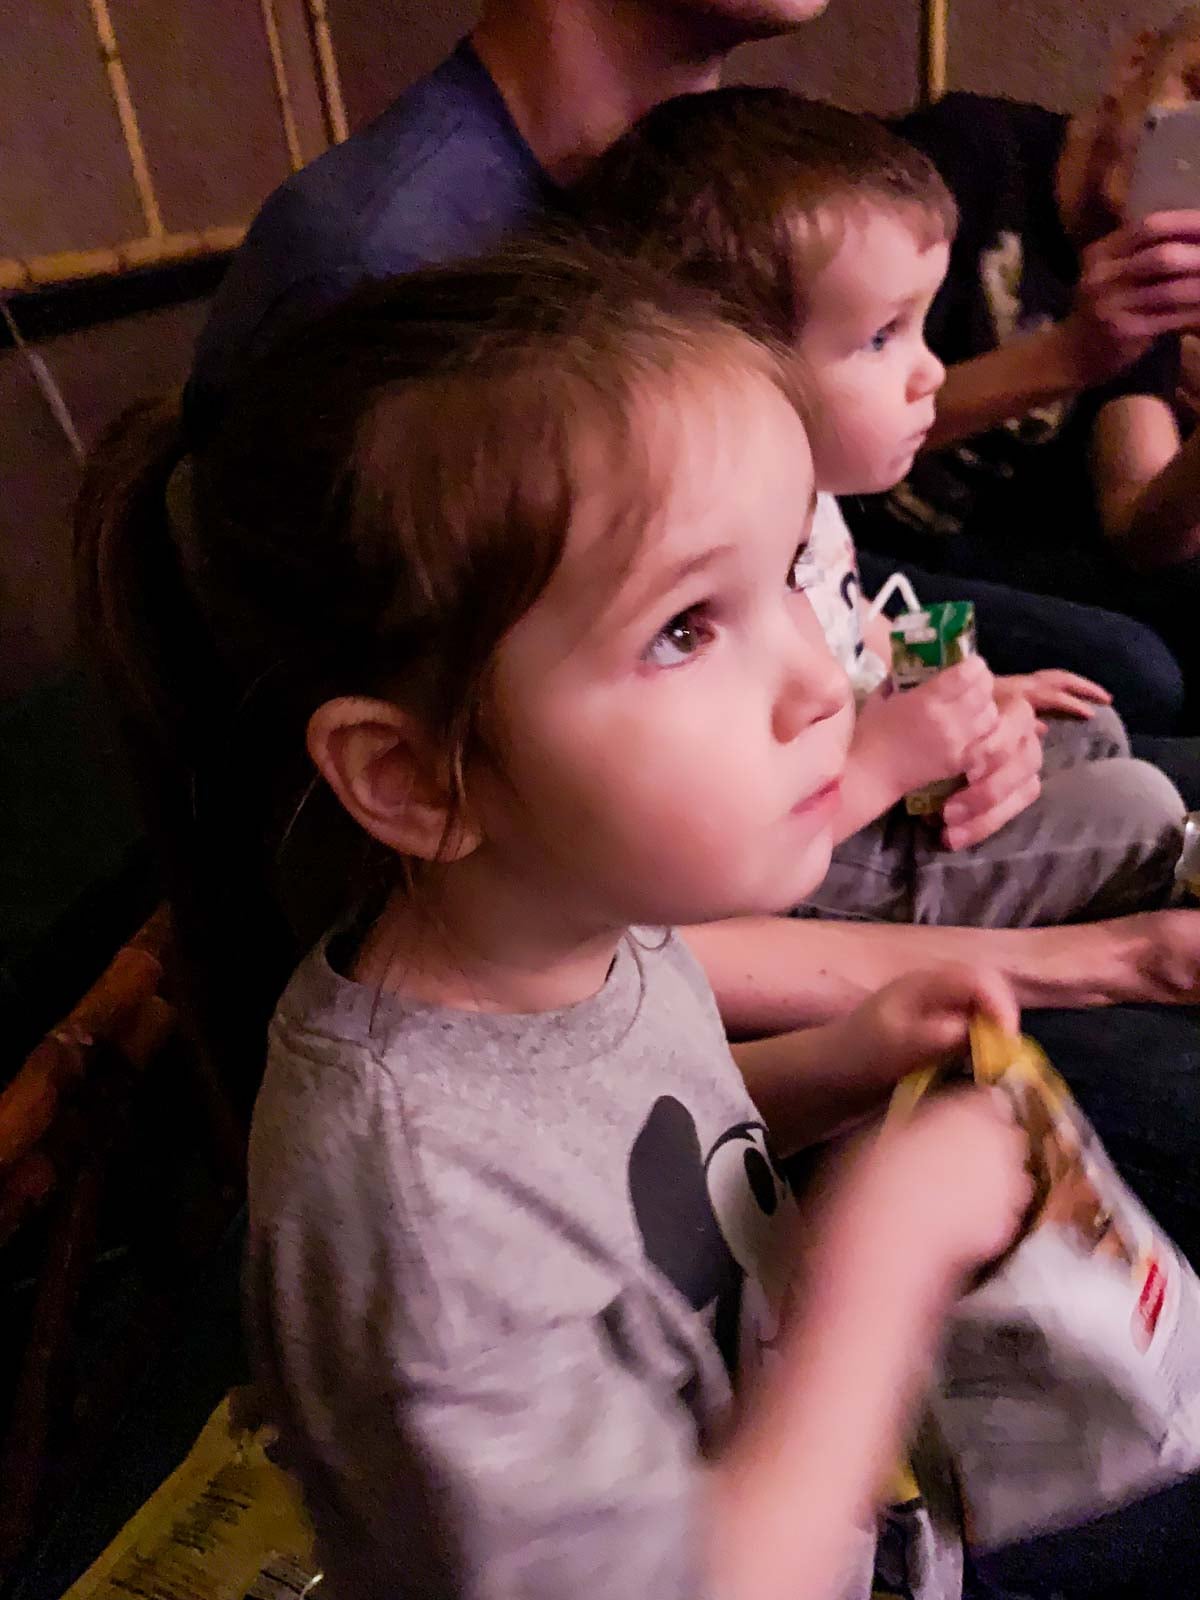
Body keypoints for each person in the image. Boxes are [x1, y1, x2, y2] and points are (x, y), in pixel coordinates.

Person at [78, 242, 1036, 1600]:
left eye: (781, 582)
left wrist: (849, 1058)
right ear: (416, 778)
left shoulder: (586, 917)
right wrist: (885, 1267)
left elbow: (635, 1155)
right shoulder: (412, 1212)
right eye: (685, 629)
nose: (822, 681)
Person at [184, 0, 1187, 732]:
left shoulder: (718, 177)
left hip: (795, 682)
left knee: (1127, 694)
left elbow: (833, 591)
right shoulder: (380, 267)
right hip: (638, 908)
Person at [572, 89, 1189, 928]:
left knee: (1093, 728)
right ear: (729, 361)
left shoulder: (810, 508)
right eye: (880, 338)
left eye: (922, 329)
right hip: (818, 851)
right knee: (1138, 807)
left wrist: (978, 693)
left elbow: (856, 627)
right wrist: (888, 764)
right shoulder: (702, 571)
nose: (931, 372)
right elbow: (723, 844)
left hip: (861, 757)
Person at [848, 8, 1200, 718]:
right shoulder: (968, 155)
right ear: (1134, 65)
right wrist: (1071, 354)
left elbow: (1138, 525)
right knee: (1135, 670)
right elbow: (808, 415)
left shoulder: (1149, 267)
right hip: (852, 558)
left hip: (994, 564)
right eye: (1195, 88)